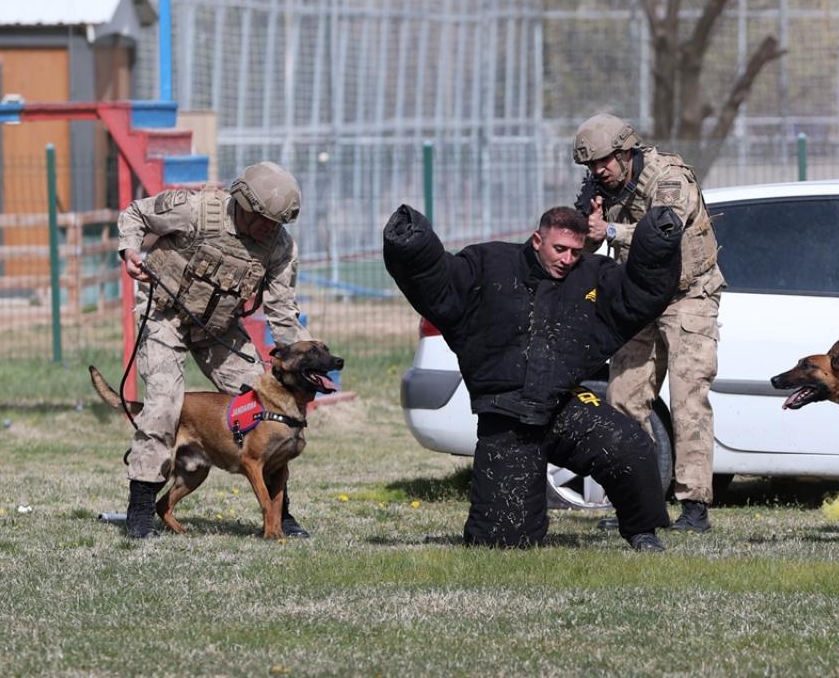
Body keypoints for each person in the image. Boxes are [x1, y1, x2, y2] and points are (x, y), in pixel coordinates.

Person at [383, 203, 682, 551]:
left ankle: (642, 530)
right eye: (560, 249)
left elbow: (640, 290)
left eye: (575, 251)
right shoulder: (488, 264)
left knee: (629, 444)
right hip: (507, 416)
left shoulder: (593, 276)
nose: (568, 259)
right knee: (503, 542)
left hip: (560, 406)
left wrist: (656, 243)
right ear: (537, 240)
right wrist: (411, 243)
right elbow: (437, 281)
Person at [117, 161, 314, 539]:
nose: (268, 229)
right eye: (262, 220)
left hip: (218, 330)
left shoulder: (279, 246)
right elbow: (136, 213)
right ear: (242, 202)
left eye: (276, 223)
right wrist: (130, 252)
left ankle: (281, 515)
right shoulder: (194, 211)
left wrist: (299, 362)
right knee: (163, 406)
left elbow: (282, 310)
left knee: (267, 407)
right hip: (165, 317)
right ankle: (140, 511)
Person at [573, 113, 724, 533]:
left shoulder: (668, 177)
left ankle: (694, 508)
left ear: (625, 152)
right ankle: (638, 503)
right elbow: (588, 248)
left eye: (603, 162)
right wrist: (587, 227)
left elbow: (665, 230)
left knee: (688, 400)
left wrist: (608, 231)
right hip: (639, 299)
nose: (597, 172)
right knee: (623, 398)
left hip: (688, 295)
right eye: (590, 167)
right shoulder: (606, 188)